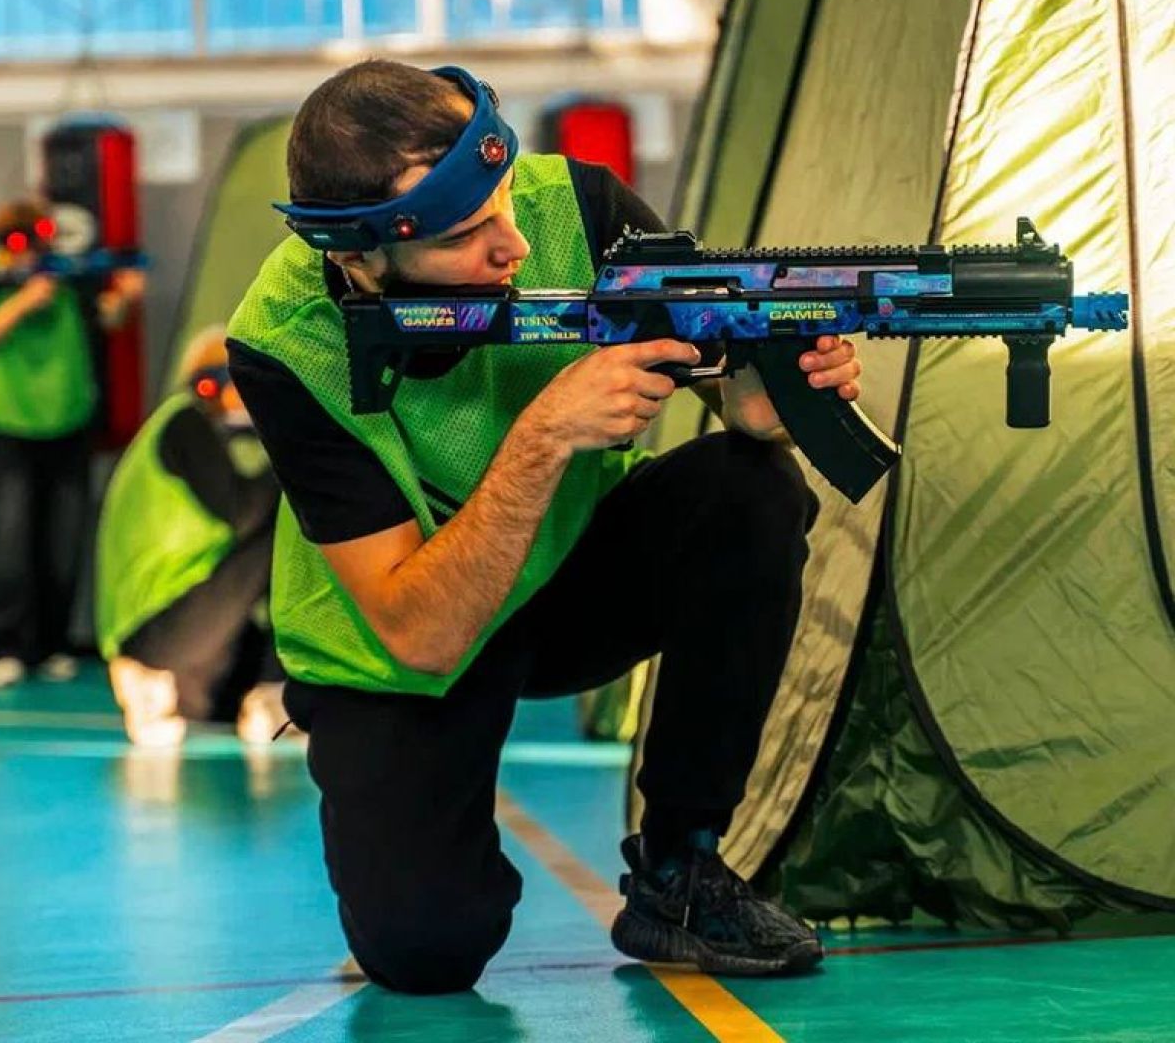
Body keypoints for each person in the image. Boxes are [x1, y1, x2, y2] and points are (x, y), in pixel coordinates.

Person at [226, 60, 864, 994]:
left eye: (504, 197)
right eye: (468, 233)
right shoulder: (287, 343)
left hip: (568, 575)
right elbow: (424, 634)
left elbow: (733, 384)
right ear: (361, 258)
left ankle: (681, 867)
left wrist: (767, 394)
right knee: (427, 950)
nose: (516, 243)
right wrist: (547, 431)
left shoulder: (582, 205)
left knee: (751, 489)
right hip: (404, 638)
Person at [0, 195, 145, 690]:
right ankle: (5, 646)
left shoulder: (68, 275)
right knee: (10, 542)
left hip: (70, 422)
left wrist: (127, 297)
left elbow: (109, 318)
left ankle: (50, 644)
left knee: (63, 542)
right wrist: (25, 300)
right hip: (10, 425)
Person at [96, 327, 284, 747]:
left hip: (168, 630)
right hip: (157, 627)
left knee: (221, 704)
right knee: (285, 529)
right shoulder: (184, 422)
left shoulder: (177, 426)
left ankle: (258, 690)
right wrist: (293, 451)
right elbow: (243, 510)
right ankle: (272, 693)